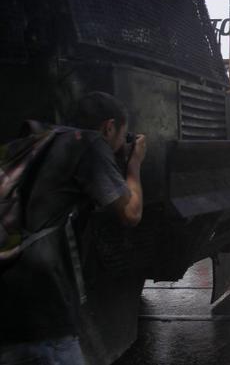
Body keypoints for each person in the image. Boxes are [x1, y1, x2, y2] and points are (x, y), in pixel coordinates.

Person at [0, 91, 147, 364]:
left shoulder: (38, 141)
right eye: (121, 135)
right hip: (45, 312)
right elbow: (131, 212)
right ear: (109, 127)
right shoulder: (89, 143)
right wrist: (134, 164)